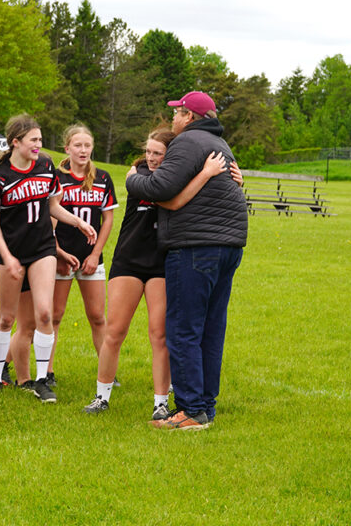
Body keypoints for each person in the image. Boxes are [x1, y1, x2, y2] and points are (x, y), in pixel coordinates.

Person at [84, 128, 239, 420]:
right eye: (149, 152)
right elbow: (172, 200)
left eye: (159, 153)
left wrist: (232, 178)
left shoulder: (179, 177)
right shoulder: (139, 176)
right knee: (115, 331)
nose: (152, 158)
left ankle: (160, 402)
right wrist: (205, 173)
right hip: (129, 261)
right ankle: (101, 397)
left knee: (160, 334)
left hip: (161, 263)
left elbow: (210, 194)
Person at [124, 92, 248, 431]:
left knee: (183, 329)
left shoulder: (188, 141)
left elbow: (160, 187)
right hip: (228, 246)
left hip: (196, 247)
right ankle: (205, 406)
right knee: (210, 329)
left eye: (177, 112)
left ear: (189, 116)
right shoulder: (220, 144)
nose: (173, 119)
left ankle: (191, 410)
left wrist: (132, 179)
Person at [0, 114, 96, 403]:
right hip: (12, 253)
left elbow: (53, 206)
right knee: (6, 318)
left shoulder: (45, 166)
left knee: (44, 313)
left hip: (43, 249)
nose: (38, 145)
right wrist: (8, 257)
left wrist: (78, 223)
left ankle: (42, 380)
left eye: (40, 140)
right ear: (15, 142)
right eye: (33, 140)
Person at [48, 124, 117, 387]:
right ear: (67, 148)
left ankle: (107, 372)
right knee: (55, 316)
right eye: (78, 145)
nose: (83, 150)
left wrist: (95, 254)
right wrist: (59, 253)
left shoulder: (103, 177)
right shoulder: (57, 177)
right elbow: (49, 219)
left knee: (98, 316)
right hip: (62, 256)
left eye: (87, 145)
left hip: (90, 257)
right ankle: (48, 372)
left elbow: (108, 219)